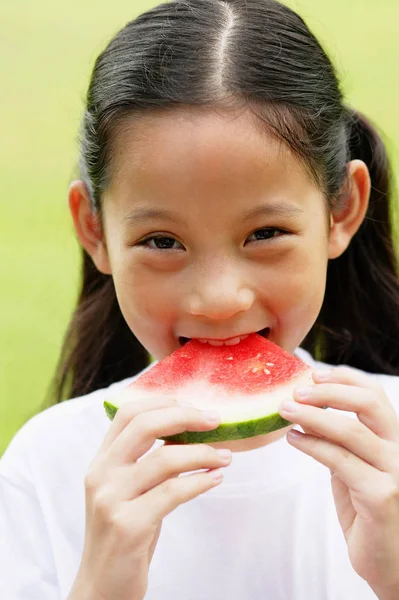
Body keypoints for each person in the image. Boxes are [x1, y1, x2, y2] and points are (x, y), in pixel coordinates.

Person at [1, 0, 399, 598]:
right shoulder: (47, 466)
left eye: (264, 234)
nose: (218, 299)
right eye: (162, 241)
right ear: (94, 231)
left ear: (341, 210)